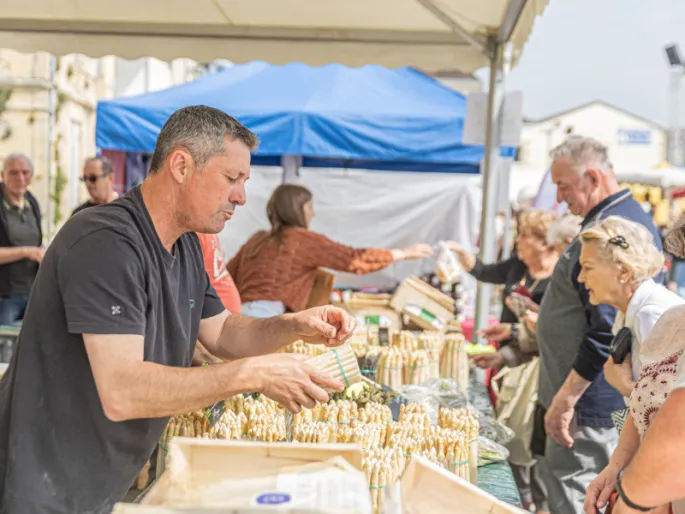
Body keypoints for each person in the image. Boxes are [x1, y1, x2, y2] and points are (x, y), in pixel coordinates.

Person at [0, 106, 357, 514]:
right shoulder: (104, 240)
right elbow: (121, 390)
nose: (240, 196)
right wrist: (253, 374)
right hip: (40, 485)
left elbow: (222, 332)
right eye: (232, 178)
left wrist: (292, 325)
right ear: (182, 165)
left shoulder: (186, 244)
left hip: (95, 479)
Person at [534, 135, 663, 514]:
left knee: (577, 495)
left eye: (563, 186)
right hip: (590, 402)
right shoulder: (612, 218)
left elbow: (606, 329)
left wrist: (567, 397)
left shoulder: (616, 225)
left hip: (588, 408)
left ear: (592, 177)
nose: (559, 199)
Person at [580, 217, 683, 514]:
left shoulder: (652, 313)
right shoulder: (642, 315)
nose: (580, 278)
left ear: (623, 271)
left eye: (587, 267)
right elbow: (645, 406)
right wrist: (615, 468)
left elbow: (663, 413)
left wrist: (639, 497)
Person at [470, 209, 563, 514]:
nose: (518, 241)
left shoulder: (561, 283)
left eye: (525, 235)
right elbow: (483, 271)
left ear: (545, 243)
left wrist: (512, 332)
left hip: (540, 379)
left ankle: (537, 505)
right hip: (511, 369)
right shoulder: (518, 268)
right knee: (514, 446)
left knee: (531, 451)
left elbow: (552, 340)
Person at [228, 184, 434, 318]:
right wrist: (404, 253)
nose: (313, 213)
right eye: (309, 208)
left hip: (239, 314)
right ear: (297, 210)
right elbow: (354, 260)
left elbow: (226, 276)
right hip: (271, 316)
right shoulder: (303, 240)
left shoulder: (258, 238)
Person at [0, 153, 43, 326]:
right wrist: (27, 251)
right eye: (13, 173)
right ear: (2, 175)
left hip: (32, 292)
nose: (20, 178)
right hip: (5, 296)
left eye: (25, 172)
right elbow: (31, 249)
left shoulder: (31, 202)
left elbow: (37, 243)